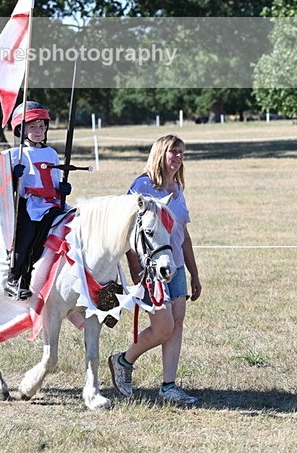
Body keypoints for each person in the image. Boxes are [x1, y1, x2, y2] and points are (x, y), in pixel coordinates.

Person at [108, 134, 202, 405]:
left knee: (177, 323)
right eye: (173, 152)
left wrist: (194, 273)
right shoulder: (142, 186)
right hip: (151, 267)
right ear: (160, 153)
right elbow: (126, 232)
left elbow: (183, 233)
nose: (178, 157)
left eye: (181, 153)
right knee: (163, 326)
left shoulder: (177, 188)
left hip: (176, 266)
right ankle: (123, 360)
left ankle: (169, 386)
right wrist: (136, 271)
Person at [4, 101, 72, 301]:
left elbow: (53, 181)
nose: (38, 130)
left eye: (41, 126)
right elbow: (9, 188)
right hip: (29, 203)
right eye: (32, 126)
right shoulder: (15, 154)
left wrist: (63, 189)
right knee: (26, 238)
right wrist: (13, 177)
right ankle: (15, 278)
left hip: (51, 204)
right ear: (21, 129)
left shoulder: (51, 153)